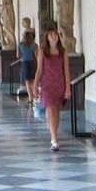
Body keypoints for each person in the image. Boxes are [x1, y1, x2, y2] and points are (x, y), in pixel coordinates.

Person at [36, 23, 71, 151]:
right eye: (51, 35)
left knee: (56, 111)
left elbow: (66, 71)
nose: (54, 36)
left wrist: (68, 88)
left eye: (55, 34)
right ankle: (54, 138)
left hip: (59, 84)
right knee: (50, 110)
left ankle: (55, 134)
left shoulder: (63, 52)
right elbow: (39, 70)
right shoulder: (42, 51)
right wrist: (35, 85)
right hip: (47, 85)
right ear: (47, 37)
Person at [18, 29, 38, 104]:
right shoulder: (35, 45)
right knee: (33, 80)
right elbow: (36, 55)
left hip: (24, 63)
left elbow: (18, 55)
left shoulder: (21, 45)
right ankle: (35, 96)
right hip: (32, 62)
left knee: (27, 81)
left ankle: (30, 97)